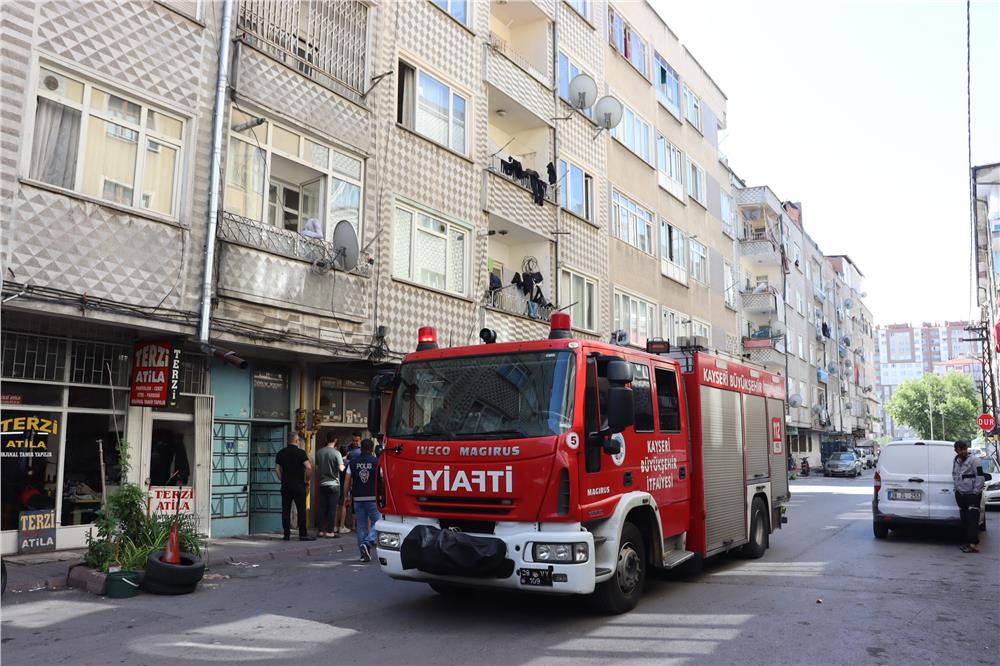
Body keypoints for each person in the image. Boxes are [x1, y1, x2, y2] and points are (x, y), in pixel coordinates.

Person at [343, 438, 381, 562]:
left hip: (358, 498)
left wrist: (346, 496)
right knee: (379, 522)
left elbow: (347, 481)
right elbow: (383, 479)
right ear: (371, 449)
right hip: (372, 497)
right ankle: (368, 542)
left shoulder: (353, 462)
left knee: (361, 526)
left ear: (361, 448)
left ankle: (363, 554)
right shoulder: (376, 462)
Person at [275, 432, 315, 541]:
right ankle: (303, 535)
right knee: (301, 510)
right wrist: (307, 480)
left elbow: (277, 469)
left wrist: (282, 479)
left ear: (288, 440)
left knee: (286, 511)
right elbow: (309, 467)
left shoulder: (281, 453)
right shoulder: (301, 453)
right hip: (299, 486)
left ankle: (286, 534)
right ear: (297, 441)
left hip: (286, 486)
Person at [952, 440, 985, 553]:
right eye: (960, 450)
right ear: (956, 450)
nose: (963, 451)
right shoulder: (956, 460)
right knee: (965, 520)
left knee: (972, 520)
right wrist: (956, 489)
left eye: (965, 449)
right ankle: (968, 543)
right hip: (960, 494)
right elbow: (954, 475)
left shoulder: (975, 460)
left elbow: (980, 477)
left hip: (972, 495)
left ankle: (973, 544)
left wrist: (976, 492)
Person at [315, 431, 344, 538]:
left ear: (326, 439)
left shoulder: (319, 452)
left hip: (322, 483)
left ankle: (321, 531)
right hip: (334, 484)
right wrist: (344, 464)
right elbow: (341, 468)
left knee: (322, 507)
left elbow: (317, 469)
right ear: (335, 440)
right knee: (332, 508)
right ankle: (330, 531)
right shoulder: (337, 453)